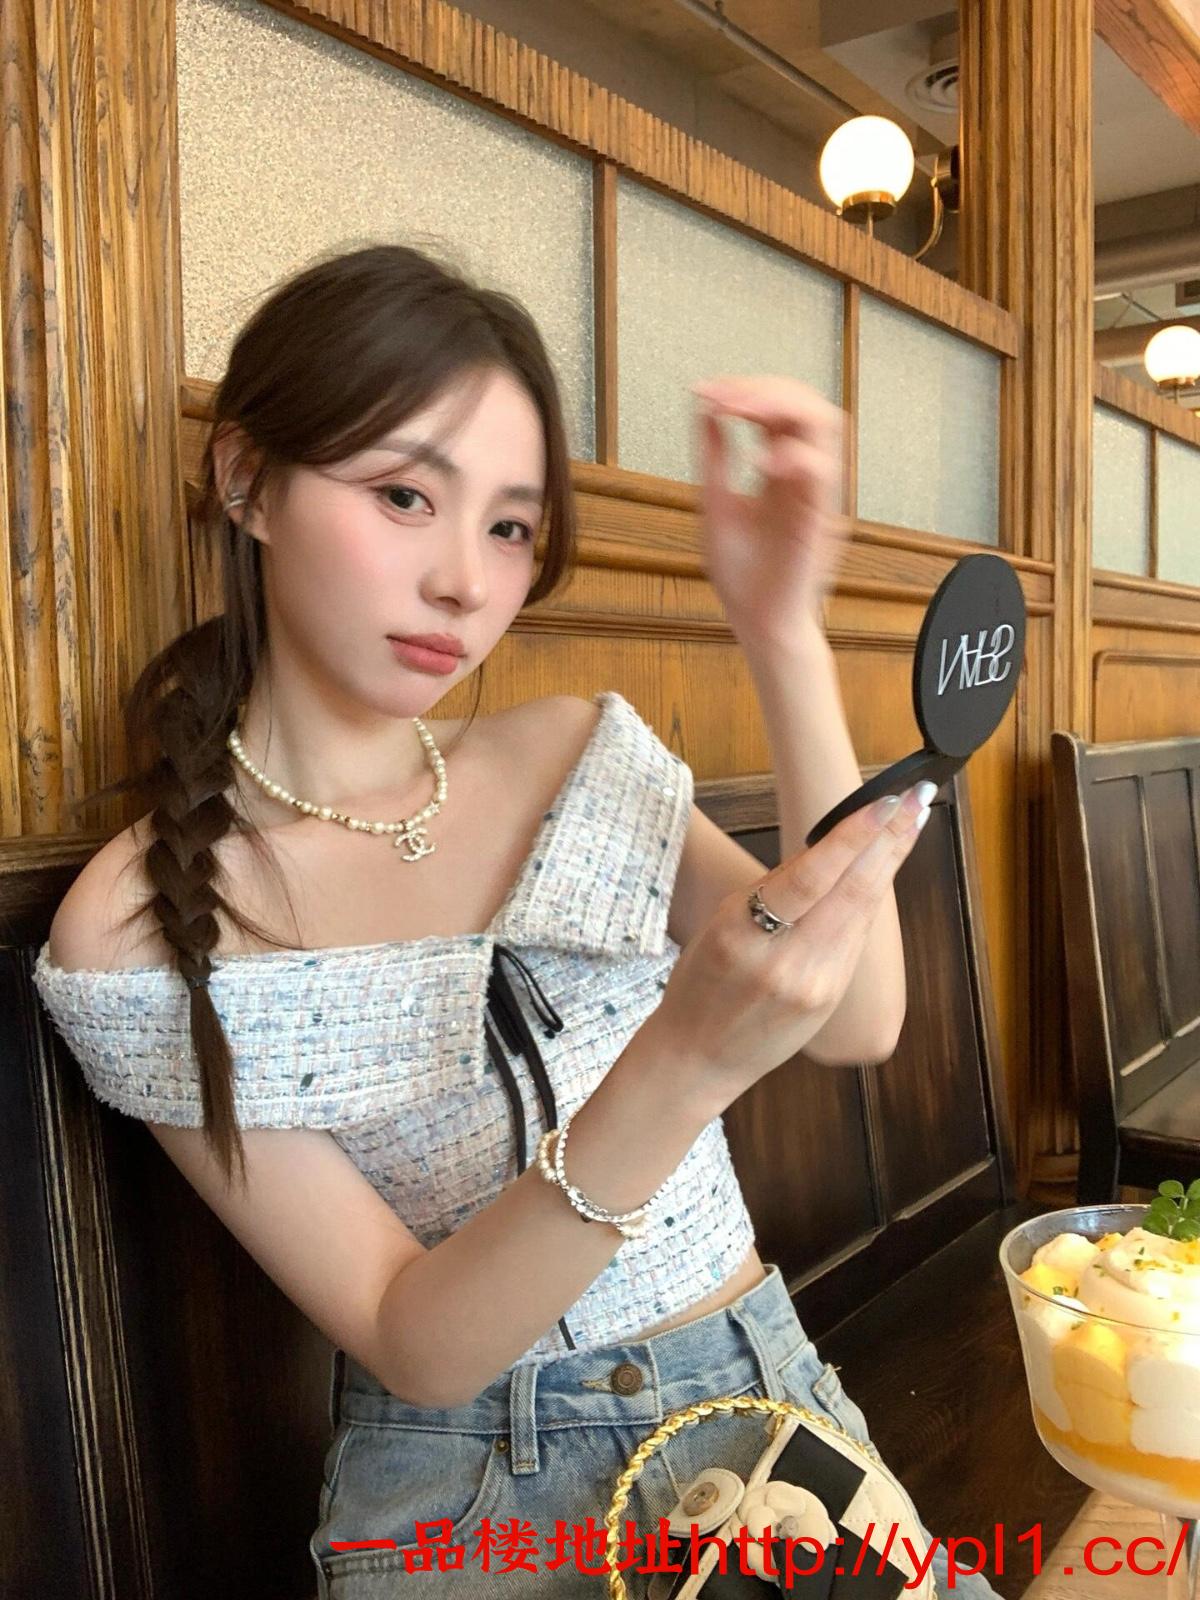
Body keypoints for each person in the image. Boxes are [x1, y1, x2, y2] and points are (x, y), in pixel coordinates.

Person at [32, 242, 1001, 1600]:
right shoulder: (138, 929)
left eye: (507, 527)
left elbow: (857, 1021)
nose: (463, 583)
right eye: (405, 496)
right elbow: (417, 1343)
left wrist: (783, 627)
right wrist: (682, 1065)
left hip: (767, 1409)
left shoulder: (570, 754)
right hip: (479, 1498)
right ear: (246, 480)